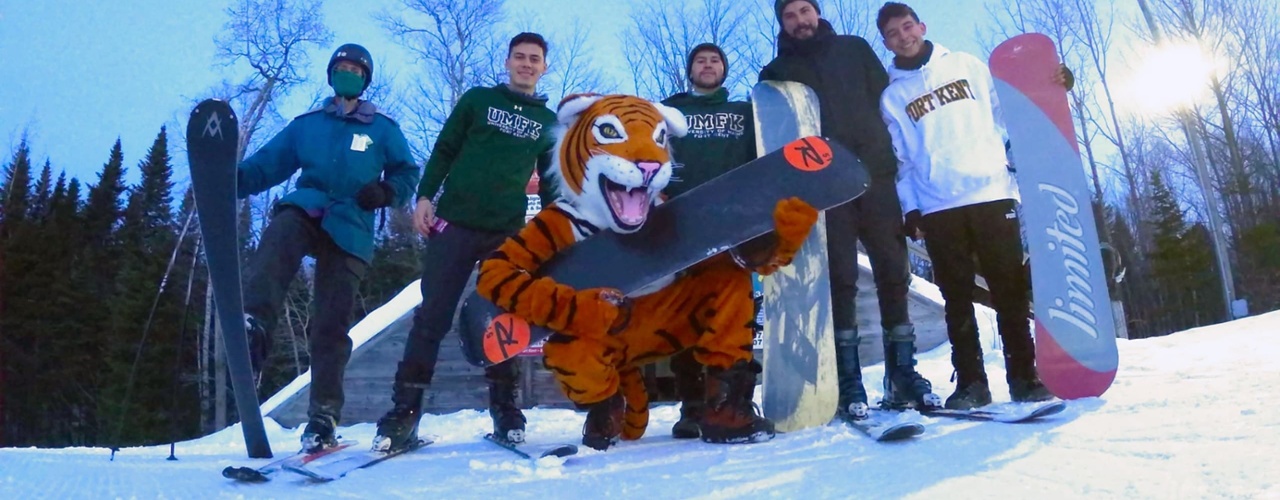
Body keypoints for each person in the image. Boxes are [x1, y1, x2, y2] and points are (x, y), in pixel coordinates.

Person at [372, 32, 559, 452]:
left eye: (534, 59)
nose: (526, 64)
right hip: (454, 224)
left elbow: (550, 182)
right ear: (508, 62)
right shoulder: (478, 100)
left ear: (544, 67)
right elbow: (445, 148)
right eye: (519, 57)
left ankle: (505, 410)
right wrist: (424, 196)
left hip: (506, 234)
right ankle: (405, 412)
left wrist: (550, 232)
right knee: (432, 316)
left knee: (504, 319)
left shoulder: (548, 124)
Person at [759, 0, 940, 421]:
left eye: (805, 10)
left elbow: (892, 99)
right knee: (841, 280)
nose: (800, 20)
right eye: (790, 15)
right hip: (825, 189)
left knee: (893, 274)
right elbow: (773, 131)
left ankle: (902, 375)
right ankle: (849, 380)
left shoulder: (854, 49)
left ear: (816, 13)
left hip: (875, 177)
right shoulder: (775, 75)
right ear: (782, 23)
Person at [877, 2, 1063, 409]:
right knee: (956, 297)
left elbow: (1010, 106)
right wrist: (911, 209)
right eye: (893, 33)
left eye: (908, 26)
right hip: (938, 204)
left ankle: (1024, 377)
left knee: (1009, 291)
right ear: (886, 42)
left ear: (922, 26)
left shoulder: (965, 64)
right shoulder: (892, 97)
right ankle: (972, 383)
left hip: (992, 192)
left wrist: (1050, 86)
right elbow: (903, 161)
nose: (904, 36)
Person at [237, 43, 420, 452]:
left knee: (330, 324)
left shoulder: (382, 130)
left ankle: (322, 415)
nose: (348, 74)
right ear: (331, 74)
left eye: (356, 69)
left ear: (365, 79)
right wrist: (226, 179)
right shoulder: (308, 125)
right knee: (280, 234)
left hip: (351, 223)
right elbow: (266, 165)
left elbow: (408, 172)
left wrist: (388, 190)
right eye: (341, 68)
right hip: (308, 207)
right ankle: (254, 326)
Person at [660, 42, 758, 439]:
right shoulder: (669, 113)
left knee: (731, 314)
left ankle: (726, 401)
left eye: (715, 60)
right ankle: (691, 405)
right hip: (681, 226)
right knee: (685, 315)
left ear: (724, 70)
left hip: (732, 226)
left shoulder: (744, 113)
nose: (707, 65)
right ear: (690, 70)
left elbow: (764, 160)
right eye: (700, 60)